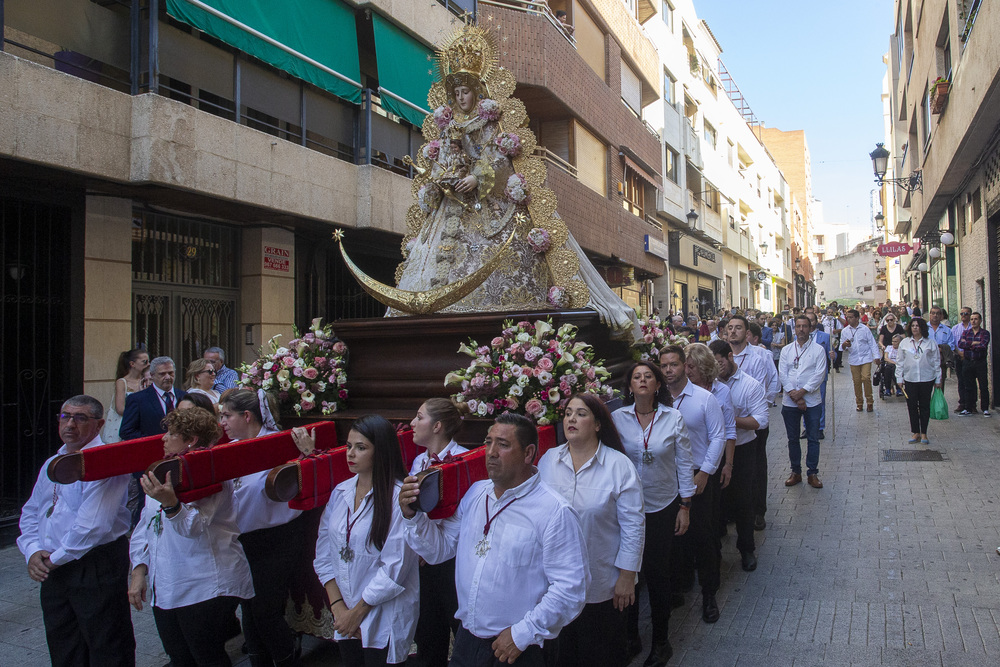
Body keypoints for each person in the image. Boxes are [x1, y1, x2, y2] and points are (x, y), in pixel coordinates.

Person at [400, 413, 589, 667]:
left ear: (528, 453)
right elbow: (440, 550)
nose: (490, 452)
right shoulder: (476, 493)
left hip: (518, 647)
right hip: (468, 639)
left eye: (502, 444)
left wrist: (523, 633)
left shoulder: (554, 511)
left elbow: (570, 589)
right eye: (488, 442)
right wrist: (412, 517)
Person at [128, 408, 254, 667]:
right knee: (179, 656)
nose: (163, 438)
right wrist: (139, 571)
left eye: (171, 433)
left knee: (206, 656)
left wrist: (172, 503)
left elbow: (194, 527)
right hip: (166, 583)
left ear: (192, 439)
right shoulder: (165, 471)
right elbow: (146, 525)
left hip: (204, 583)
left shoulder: (211, 472)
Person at [18, 395, 135, 667]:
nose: (70, 424)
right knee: (63, 644)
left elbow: (93, 526)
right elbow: (32, 510)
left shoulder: (105, 462)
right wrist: (33, 551)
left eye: (80, 418)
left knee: (106, 645)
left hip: (94, 564)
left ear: (99, 424)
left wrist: (52, 560)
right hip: (55, 566)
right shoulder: (52, 461)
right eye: (65, 416)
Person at [539, 394, 644, 667]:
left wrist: (627, 576)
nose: (571, 419)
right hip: (555, 584)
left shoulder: (618, 466)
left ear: (598, 424)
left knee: (601, 653)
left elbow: (633, 525)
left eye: (581, 414)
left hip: (601, 582)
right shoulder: (548, 461)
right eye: (568, 413)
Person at [314, 415, 419, 666]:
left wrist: (357, 613)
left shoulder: (398, 499)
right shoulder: (341, 492)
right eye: (349, 446)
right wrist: (339, 607)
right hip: (345, 610)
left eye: (361, 448)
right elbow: (323, 553)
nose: (351, 454)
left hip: (382, 613)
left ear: (380, 452)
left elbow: (395, 568)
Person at [611, 362, 693, 657]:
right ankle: (630, 635)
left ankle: (661, 640)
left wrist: (685, 504)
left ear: (658, 384)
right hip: (626, 509)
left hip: (662, 505)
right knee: (628, 572)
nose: (642, 381)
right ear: (630, 386)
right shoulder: (617, 419)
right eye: (637, 377)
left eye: (648, 376)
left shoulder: (673, 418)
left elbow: (684, 462)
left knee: (657, 573)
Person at [222, 389, 305, 667]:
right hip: (242, 540)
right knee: (248, 607)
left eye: (227, 415)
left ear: (247, 416)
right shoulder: (230, 446)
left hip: (275, 540)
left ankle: (285, 659)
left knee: (265, 612)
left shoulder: (276, 445)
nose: (222, 422)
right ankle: (258, 660)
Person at [659, 345, 729, 622]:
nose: (668, 370)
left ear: (685, 365)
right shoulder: (658, 400)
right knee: (675, 535)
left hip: (699, 475)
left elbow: (718, 437)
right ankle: (680, 583)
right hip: (668, 478)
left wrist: (706, 473)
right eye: (663, 366)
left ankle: (709, 593)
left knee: (703, 535)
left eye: (674, 365)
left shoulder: (704, 399)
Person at [405, 399, 468, 667]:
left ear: (438, 426)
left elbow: (458, 523)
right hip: (423, 563)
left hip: (453, 565)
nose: (412, 423)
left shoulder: (462, 461)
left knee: (461, 636)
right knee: (428, 639)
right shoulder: (420, 460)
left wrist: (428, 545)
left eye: (419, 417)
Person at [709, 341, 769, 572]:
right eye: (712, 363)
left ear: (730, 357)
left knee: (744, 501)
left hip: (743, 449)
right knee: (717, 500)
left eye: (720, 362)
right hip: (715, 450)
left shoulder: (749, 385)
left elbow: (760, 421)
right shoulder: (709, 384)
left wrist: (726, 419)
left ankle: (746, 549)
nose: (717, 367)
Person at [725, 316, 779, 529]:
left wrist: (761, 406)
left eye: (738, 328)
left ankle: (758, 510)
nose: (733, 332)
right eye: (730, 328)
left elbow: (773, 381)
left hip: (753, 419)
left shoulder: (760, 355)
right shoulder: (722, 355)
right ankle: (732, 509)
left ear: (747, 332)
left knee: (755, 466)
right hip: (728, 423)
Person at [779, 315, 829, 489]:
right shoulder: (786, 350)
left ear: (810, 328)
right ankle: (796, 471)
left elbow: (819, 374)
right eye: (798, 326)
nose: (801, 329)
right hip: (790, 401)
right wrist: (794, 395)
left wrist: (802, 392)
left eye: (805, 326)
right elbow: (783, 374)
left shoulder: (818, 350)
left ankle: (812, 472)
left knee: (813, 438)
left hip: (812, 400)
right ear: (795, 328)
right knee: (793, 438)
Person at [896, 317, 943, 443]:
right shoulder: (904, 343)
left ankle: (924, 433)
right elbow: (900, 362)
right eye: (913, 326)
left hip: (926, 378)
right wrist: (899, 378)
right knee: (912, 406)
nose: (915, 328)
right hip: (910, 379)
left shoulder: (930, 343)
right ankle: (915, 432)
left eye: (917, 325)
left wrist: (938, 379)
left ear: (922, 327)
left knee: (924, 406)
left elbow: (936, 362)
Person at [119, 356, 187, 440]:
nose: (168, 377)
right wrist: (153, 441)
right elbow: (126, 432)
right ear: (152, 375)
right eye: (162, 374)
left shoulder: (185, 396)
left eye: (170, 373)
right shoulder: (137, 399)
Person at [103, 348, 150, 443]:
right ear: (132, 364)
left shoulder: (146, 380)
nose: (148, 364)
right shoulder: (122, 382)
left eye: (149, 361)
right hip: (123, 424)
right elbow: (120, 409)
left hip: (141, 425)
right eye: (144, 362)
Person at [839, 309, 880, 413]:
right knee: (856, 381)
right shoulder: (845, 331)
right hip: (854, 359)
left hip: (866, 357)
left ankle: (870, 401)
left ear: (857, 318)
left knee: (866, 378)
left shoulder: (865, 329)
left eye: (851, 317)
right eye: (847, 317)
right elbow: (841, 347)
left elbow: (872, 343)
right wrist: (844, 345)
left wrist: (876, 356)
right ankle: (859, 402)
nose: (849, 319)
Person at [958, 312, 991, 416]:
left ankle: (985, 408)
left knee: (983, 386)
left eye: (976, 319)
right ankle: (968, 408)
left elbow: (983, 345)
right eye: (972, 319)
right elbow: (960, 344)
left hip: (980, 362)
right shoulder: (966, 333)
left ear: (980, 321)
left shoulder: (985, 333)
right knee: (968, 386)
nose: (973, 321)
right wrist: (974, 343)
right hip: (968, 362)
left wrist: (968, 344)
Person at [927, 307, 955, 393]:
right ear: (930, 315)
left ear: (941, 315)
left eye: (937, 313)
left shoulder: (947, 330)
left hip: (941, 361)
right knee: (926, 388)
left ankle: (938, 405)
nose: (935, 315)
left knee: (940, 387)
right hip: (926, 361)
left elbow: (952, 344)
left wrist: (942, 349)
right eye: (933, 313)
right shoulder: (924, 328)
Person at [951, 307, 973, 413]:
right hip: (958, 357)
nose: (963, 315)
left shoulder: (973, 327)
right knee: (961, 381)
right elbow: (952, 342)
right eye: (962, 313)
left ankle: (972, 404)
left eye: (966, 313)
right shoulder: (955, 328)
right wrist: (959, 352)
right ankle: (962, 403)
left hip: (970, 357)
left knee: (970, 381)